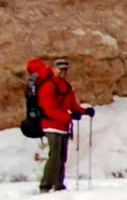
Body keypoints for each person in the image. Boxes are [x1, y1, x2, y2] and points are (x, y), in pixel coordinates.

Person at [25, 56, 93, 193]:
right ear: (54, 69)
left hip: (63, 126)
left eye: (65, 69)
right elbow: (49, 109)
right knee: (55, 156)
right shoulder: (48, 86)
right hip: (51, 125)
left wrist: (85, 111)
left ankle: (58, 184)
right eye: (60, 69)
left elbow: (72, 105)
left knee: (61, 157)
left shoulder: (66, 86)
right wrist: (69, 116)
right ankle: (45, 185)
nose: (63, 72)